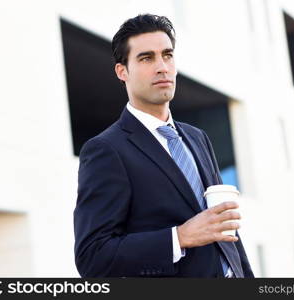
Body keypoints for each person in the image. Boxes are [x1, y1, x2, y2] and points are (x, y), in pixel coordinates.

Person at [74, 14, 254, 278]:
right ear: (122, 71)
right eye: (146, 58)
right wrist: (179, 237)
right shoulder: (106, 150)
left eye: (167, 55)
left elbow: (225, 231)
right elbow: (93, 256)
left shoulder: (197, 138)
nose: (162, 67)